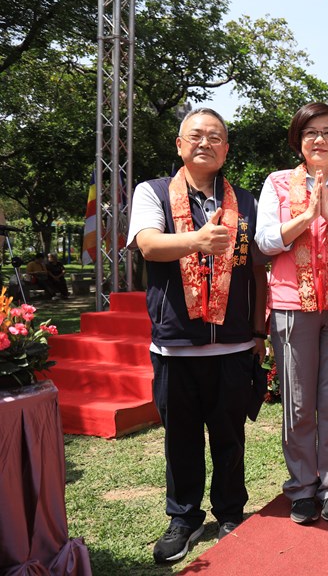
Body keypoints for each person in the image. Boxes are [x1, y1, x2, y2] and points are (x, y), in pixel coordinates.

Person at [128, 108, 268, 563]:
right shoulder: (152, 193)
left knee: (230, 436)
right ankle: (183, 518)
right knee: (181, 439)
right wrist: (195, 241)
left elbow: (256, 270)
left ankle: (230, 512)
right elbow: (148, 244)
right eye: (196, 136)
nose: (205, 143)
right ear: (179, 145)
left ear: (227, 148)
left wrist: (259, 331)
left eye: (216, 137)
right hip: (176, 345)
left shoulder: (246, 202)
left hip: (233, 344)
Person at [255, 102, 328, 526]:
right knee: (299, 403)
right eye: (310, 133)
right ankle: (302, 488)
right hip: (291, 305)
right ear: (299, 141)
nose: (319, 140)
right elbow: (265, 240)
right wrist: (305, 216)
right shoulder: (278, 183)